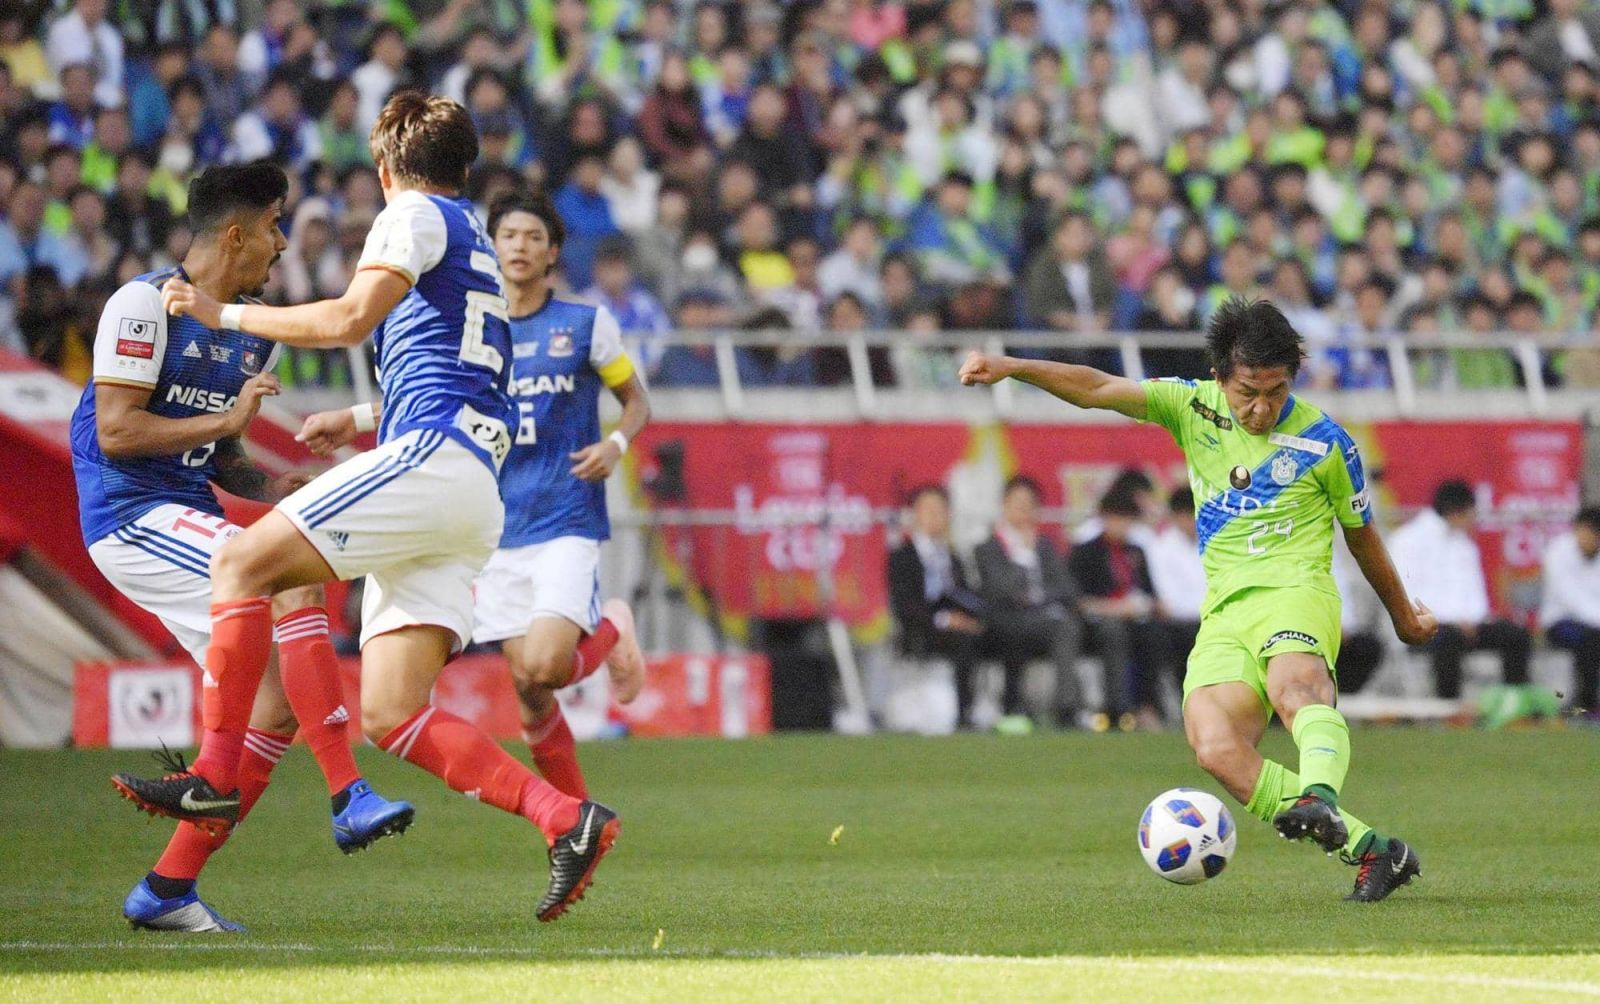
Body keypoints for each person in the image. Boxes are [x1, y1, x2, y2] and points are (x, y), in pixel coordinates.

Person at [120, 93, 619, 924]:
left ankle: (211, 777)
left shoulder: (415, 211)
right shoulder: (479, 249)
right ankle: (565, 817)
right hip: (467, 487)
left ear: (387, 168)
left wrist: (221, 313)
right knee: (391, 712)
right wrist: (357, 420)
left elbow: (351, 318)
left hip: (432, 465)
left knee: (241, 562)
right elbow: (459, 376)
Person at [959, 297, 1439, 902]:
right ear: (1219, 377)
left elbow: (1363, 536)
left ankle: (1319, 795)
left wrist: (1402, 615)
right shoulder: (1192, 406)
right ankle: (1375, 852)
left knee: (1297, 691)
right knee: (1214, 747)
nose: (1261, 408)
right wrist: (1010, 366)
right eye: (1247, 393)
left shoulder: (1326, 442)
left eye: (1276, 391)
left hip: (1296, 591)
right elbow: (1097, 386)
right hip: (1225, 613)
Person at [77, 162, 412, 931]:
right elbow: (119, 432)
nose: (283, 241)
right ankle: (347, 794)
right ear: (235, 233)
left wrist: (282, 487)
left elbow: (222, 465)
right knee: (289, 573)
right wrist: (225, 425)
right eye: (273, 224)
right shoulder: (140, 304)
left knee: (278, 706)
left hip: (185, 512)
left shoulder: (246, 332)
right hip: (130, 515)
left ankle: (165, 890)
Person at [301, 188, 652, 801]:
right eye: (508, 236)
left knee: (543, 664)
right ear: (492, 248)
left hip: (565, 515)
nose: (519, 247)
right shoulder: (476, 325)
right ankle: (577, 819)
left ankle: (612, 632)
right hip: (493, 522)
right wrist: (356, 417)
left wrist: (617, 445)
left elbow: (636, 401)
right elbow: (433, 399)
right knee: (530, 686)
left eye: (533, 238)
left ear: (552, 254)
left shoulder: (585, 325)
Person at [1387, 480, 1532, 701]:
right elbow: (1405, 594)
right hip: (1425, 625)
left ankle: (1514, 702)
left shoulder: (1464, 544)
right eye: (1470, 513)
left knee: (1516, 635)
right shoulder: (1407, 540)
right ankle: (1449, 706)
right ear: (1456, 511)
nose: (1473, 520)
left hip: (1466, 625)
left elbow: (1474, 592)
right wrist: (1451, 620)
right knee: (1448, 638)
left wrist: (1472, 619)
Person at [973, 476, 1084, 732]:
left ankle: (1067, 707)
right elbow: (1000, 590)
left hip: (1046, 620)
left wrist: (1042, 596)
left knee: (1068, 626)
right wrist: (1021, 557)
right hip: (1007, 620)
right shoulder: (989, 547)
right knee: (1047, 628)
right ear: (1004, 506)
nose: (1024, 511)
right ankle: (1021, 706)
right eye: (1017, 504)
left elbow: (1068, 589)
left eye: (1029, 505)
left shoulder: (1045, 546)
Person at [1067, 488, 1170, 730]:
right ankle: (1118, 708)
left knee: (1156, 633)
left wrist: (1149, 605)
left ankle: (1147, 706)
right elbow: (1078, 601)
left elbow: (1150, 594)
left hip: (1135, 619)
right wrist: (1115, 608)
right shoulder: (1085, 553)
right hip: (1097, 621)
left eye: (1127, 520)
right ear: (1104, 518)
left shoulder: (1137, 552)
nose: (1122, 526)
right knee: (1113, 631)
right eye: (1117, 519)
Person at [887, 485, 985, 728]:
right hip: (920, 626)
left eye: (940, 510)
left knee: (993, 632)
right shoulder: (902, 556)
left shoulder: (952, 556)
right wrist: (942, 619)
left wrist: (973, 616)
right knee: (963, 640)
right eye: (928, 509)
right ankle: (963, 714)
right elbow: (904, 604)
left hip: (955, 622)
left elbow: (964, 594)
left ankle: (1002, 708)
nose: (935, 516)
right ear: (915, 515)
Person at [1539, 505, 1600, 719]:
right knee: (1591, 639)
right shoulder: (1558, 552)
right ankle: (1587, 706)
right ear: (1580, 529)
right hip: (1561, 623)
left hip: (1593, 623)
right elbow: (1571, 599)